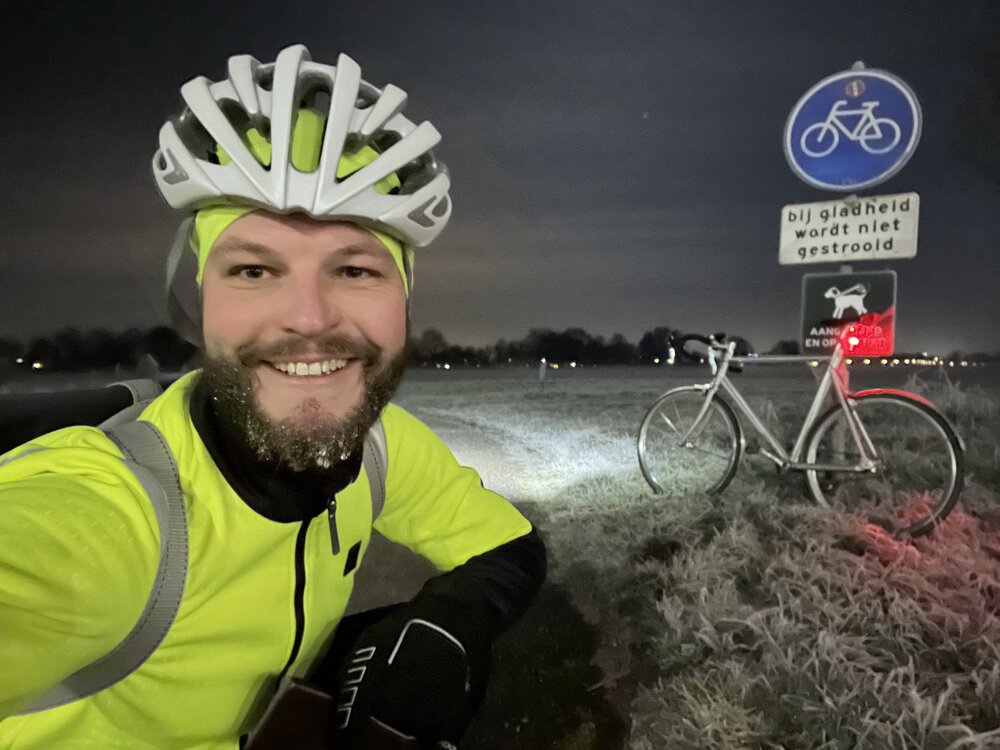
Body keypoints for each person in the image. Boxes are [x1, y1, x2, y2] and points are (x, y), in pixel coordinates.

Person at [0, 44, 545, 748]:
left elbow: (510, 546)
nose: (312, 318)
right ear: (196, 306)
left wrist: (450, 622)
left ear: (404, 305)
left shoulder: (378, 449)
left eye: (354, 269)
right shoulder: (112, 516)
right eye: (255, 270)